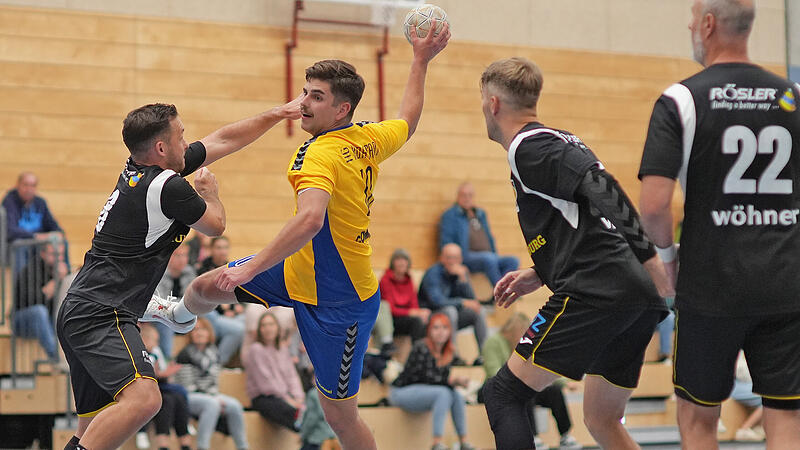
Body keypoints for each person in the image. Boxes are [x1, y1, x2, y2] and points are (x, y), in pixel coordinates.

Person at [144, 22, 450, 450]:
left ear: (341, 110)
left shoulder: (320, 155)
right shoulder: (367, 137)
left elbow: (310, 221)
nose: (303, 102)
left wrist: (251, 265)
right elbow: (408, 120)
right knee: (204, 285)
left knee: (340, 419)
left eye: (316, 97)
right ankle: (179, 316)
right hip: (296, 272)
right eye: (305, 91)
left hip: (341, 303)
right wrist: (419, 61)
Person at [56, 97, 303, 450]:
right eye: (181, 136)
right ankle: (159, 308)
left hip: (84, 307)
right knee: (146, 399)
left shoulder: (140, 171)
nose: (186, 143)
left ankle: (156, 308)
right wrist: (211, 194)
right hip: (101, 313)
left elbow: (222, 140)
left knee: (92, 428)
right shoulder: (168, 188)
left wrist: (277, 113)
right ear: (160, 147)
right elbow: (215, 226)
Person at [477, 57, 671, 450]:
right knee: (601, 418)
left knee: (502, 395)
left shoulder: (529, 147)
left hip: (598, 289)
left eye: (482, 101)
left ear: (494, 103)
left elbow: (604, 187)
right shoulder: (556, 138)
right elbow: (590, 217)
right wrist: (540, 269)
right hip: (633, 291)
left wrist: (653, 258)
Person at [637, 1, 800, 448]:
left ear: (708, 25)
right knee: (785, 419)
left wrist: (666, 262)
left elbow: (653, 205)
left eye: (692, 18)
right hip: (785, 283)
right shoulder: (793, 96)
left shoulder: (682, 99)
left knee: (696, 420)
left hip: (711, 285)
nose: (690, 25)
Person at [480, 313, 581, 450]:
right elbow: (494, 372)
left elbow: (541, 365)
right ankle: (533, 436)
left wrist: (564, 382)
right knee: (523, 392)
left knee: (554, 392)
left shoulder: (525, 344)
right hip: (495, 389)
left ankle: (565, 435)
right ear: (514, 330)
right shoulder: (494, 342)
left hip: (519, 383)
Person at [389, 313, 475, 450]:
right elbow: (426, 378)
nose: (441, 332)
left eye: (445, 328)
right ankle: (437, 443)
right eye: (436, 328)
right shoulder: (421, 347)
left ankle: (464, 442)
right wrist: (453, 381)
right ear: (429, 330)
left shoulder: (448, 351)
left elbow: (440, 380)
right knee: (444, 393)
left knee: (456, 395)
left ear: (450, 331)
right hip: (401, 391)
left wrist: (453, 383)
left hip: (425, 393)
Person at [174, 318, 248, 450]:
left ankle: (242, 447)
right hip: (188, 396)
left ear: (209, 333)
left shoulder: (214, 353)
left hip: (209, 395)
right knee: (212, 404)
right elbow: (187, 386)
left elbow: (213, 382)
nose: (199, 333)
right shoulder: (184, 354)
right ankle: (202, 446)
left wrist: (214, 395)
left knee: (235, 405)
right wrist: (213, 397)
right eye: (195, 330)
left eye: (202, 329)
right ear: (190, 333)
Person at [439, 181, 518, 286]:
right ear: (457, 197)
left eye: (470, 195)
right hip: (466, 256)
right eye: (463, 195)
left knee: (512, 261)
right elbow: (446, 241)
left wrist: (495, 254)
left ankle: (508, 289)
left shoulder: (480, 214)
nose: (467, 198)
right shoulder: (450, 215)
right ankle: (501, 291)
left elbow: (489, 237)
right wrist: (454, 262)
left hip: (488, 257)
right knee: (489, 259)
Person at [418, 243, 488, 355]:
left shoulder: (460, 273)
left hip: (453, 316)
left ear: (460, 259)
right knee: (450, 311)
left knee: (479, 311)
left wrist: (463, 279)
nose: (452, 261)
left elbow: (472, 301)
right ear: (441, 258)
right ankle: (452, 354)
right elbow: (436, 301)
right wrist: (462, 302)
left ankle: (485, 355)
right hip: (432, 315)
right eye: (448, 257)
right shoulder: (432, 273)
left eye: (455, 258)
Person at [243, 311, 305, 431]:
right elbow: (266, 383)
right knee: (292, 412)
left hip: (285, 396)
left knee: (309, 409)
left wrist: (298, 398)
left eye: (271, 324)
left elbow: (292, 376)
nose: (268, 328)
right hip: (264, 397)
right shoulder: (256, 350)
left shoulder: (282, 349)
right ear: (259, 329)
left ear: (277, 328)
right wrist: (288, 399)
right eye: (264, 325)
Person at [140, 324, 193, 450]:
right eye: (155, 341)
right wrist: (166, 372)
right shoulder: (140, 354)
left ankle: (185, 441)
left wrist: (165, 372)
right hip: (146, 388)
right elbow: (149, 374)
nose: (157, 344)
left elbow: (158, 371)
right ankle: (162, 445)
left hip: (158, 386)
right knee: (166, 401)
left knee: (179, 396)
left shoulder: (155, 352)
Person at [13, 241, 67, 361]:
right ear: (43, 254)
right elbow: (35, 299)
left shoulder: (62, 271)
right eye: (54, 254)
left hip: (47, 323)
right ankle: (56, 357)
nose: (59, 258)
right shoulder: (31, 270)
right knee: (39, 311)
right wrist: (57, 280)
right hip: (22, 321)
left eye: (61, 254)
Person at [3, 172, 69, 268]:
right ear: (18, 185)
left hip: (38, 245)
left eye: (33, 186)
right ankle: (20, 282)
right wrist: (35, 236)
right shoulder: (9, 202)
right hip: (15, 246)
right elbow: (10, 231)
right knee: (20, 246)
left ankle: (66, 275)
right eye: (25, 185)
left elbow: (53, 225)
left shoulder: (40, 203)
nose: (29, 189)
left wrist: (58, 234)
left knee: (61, 242)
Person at [154, 244, 197, 358]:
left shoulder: (189, 271)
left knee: (210, 317)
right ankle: (167, 359)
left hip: (184, 311)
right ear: (169, 256)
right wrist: (183, 304)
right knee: (166, 323)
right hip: (162, 313)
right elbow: (160, 301)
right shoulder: (159, 271)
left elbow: (194, 299)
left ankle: (209, 361)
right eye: (178, 255)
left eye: (185, 256)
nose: (182, 259)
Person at [380, 248, 429, 341]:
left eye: (404, 260)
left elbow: (414, 304)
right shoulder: (385, 280)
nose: (401, 263)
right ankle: (417, 352)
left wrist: (419, 313)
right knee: (417, 322)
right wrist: (410, 313)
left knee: (428, 318)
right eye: (398, 259)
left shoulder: (409, 279)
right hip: (391, 320)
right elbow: (389, 309)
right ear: (392, 263)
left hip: (405, 317)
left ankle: (424, 351)